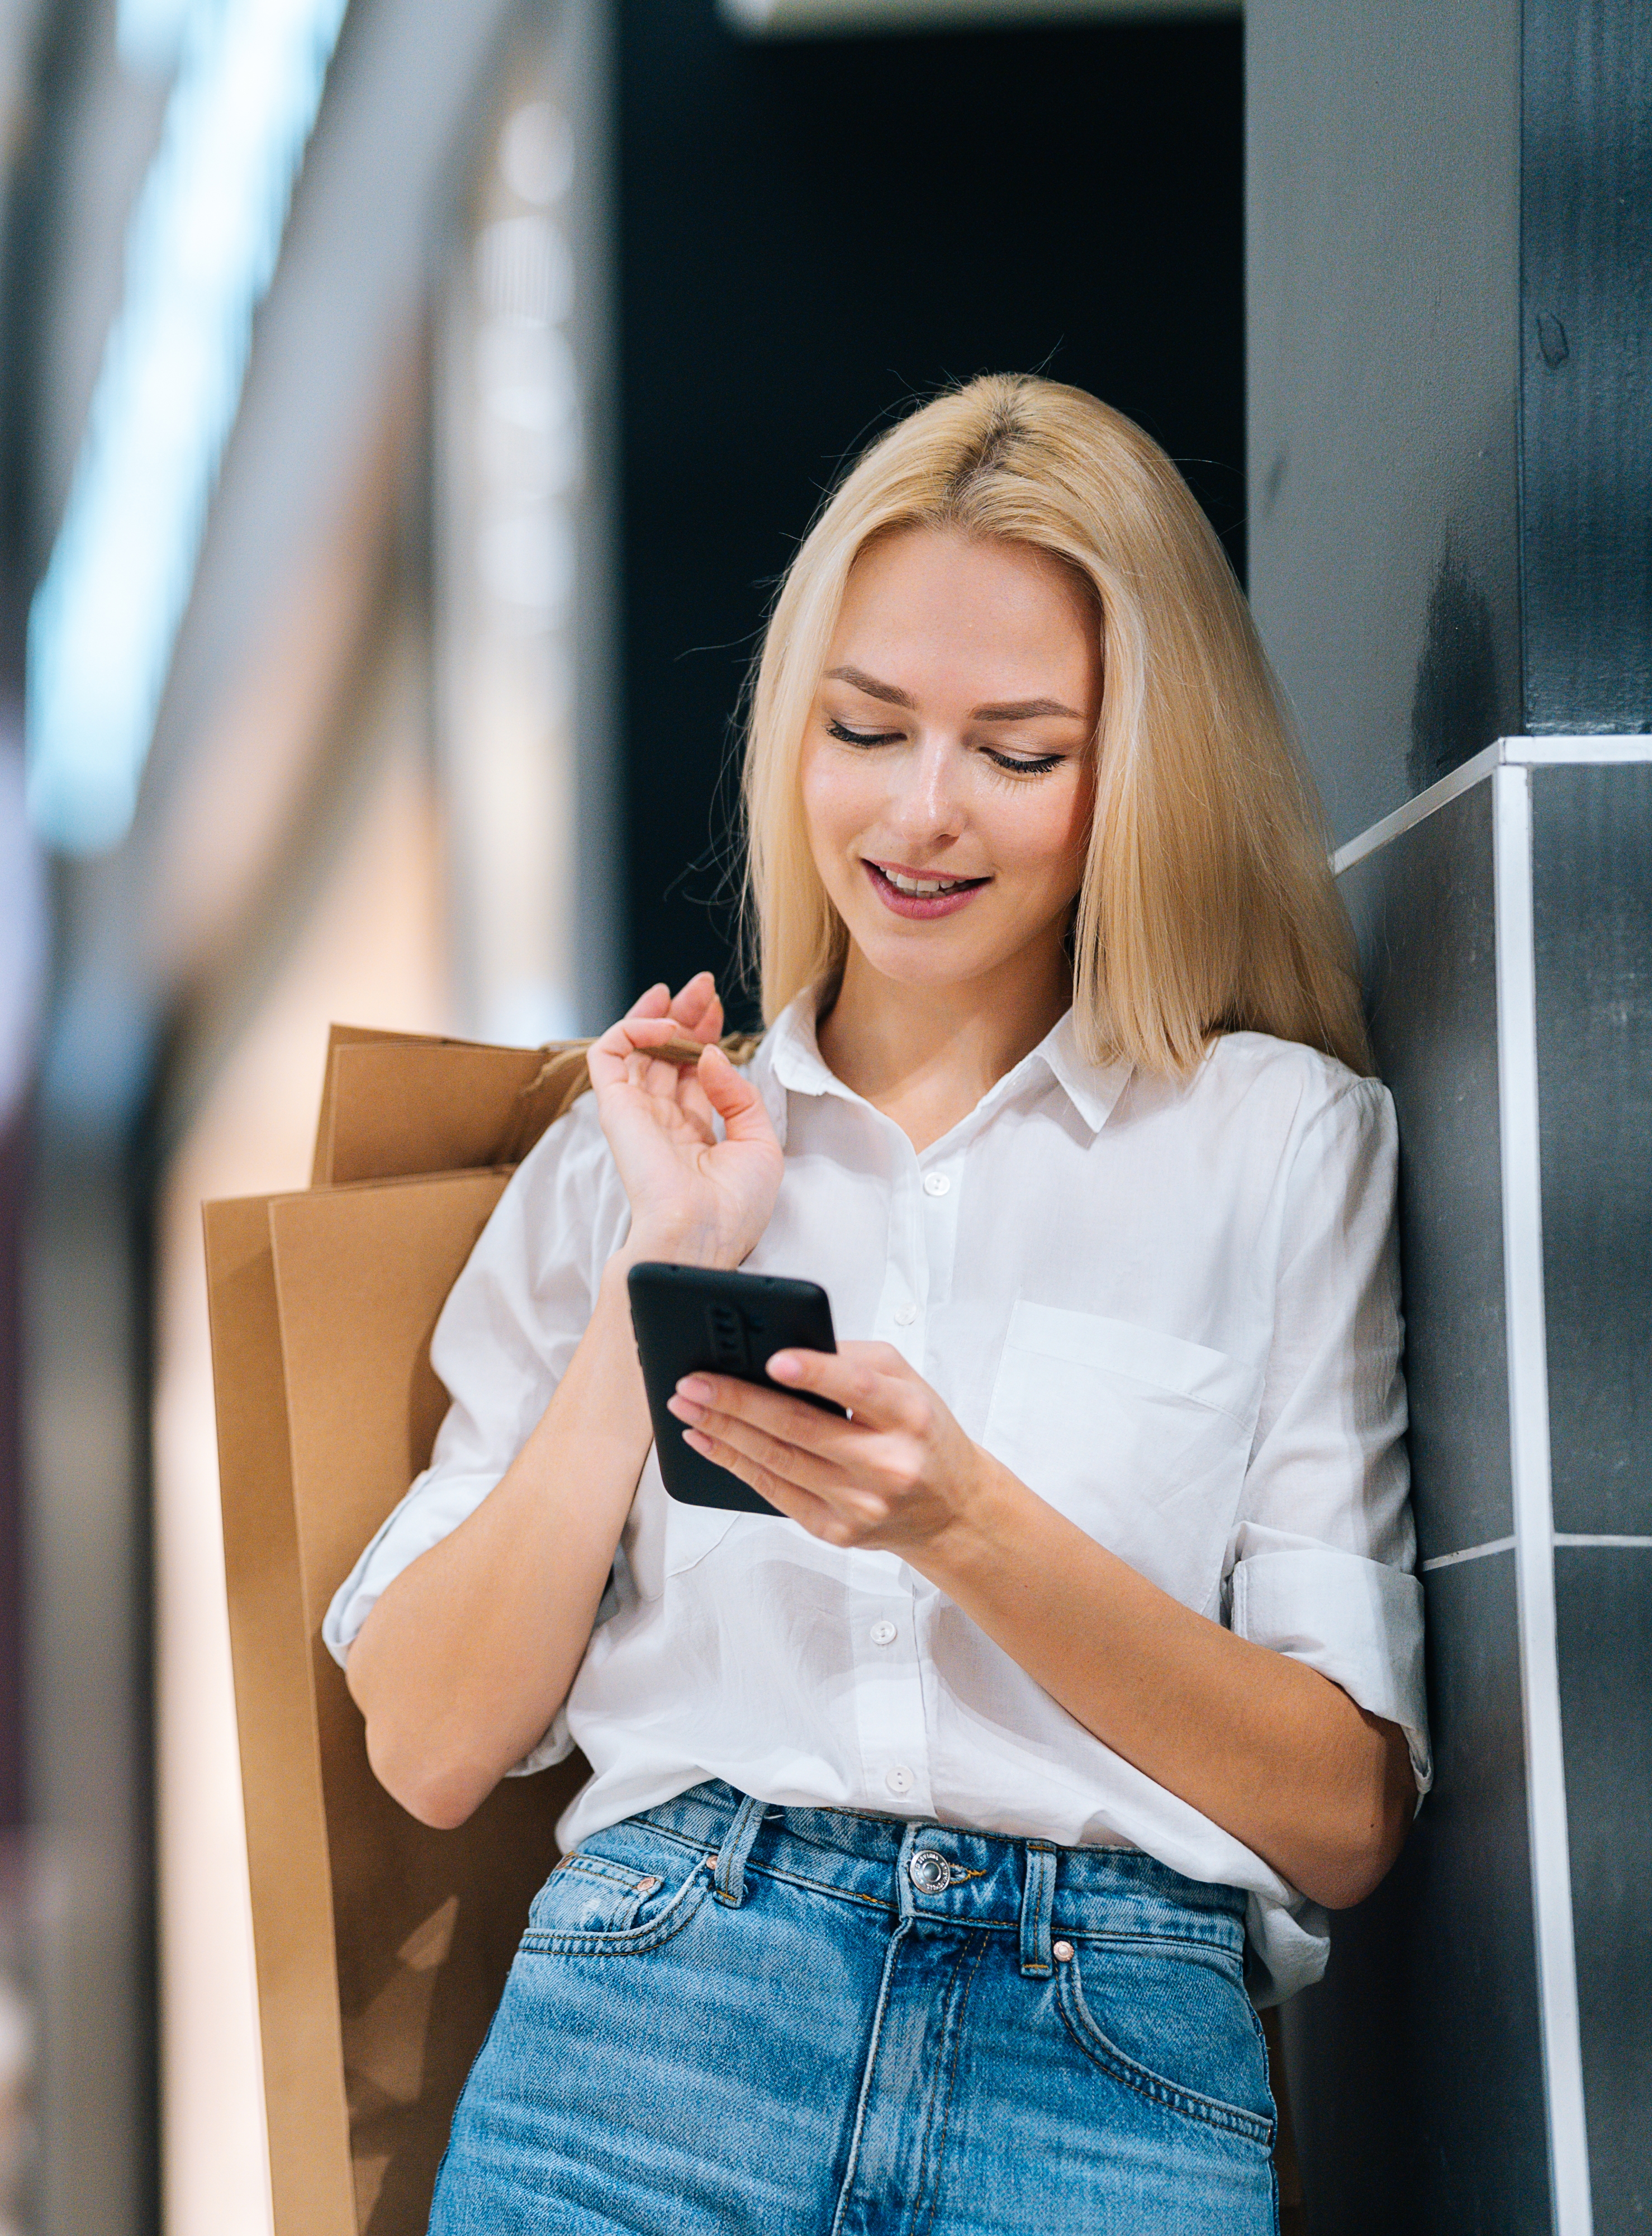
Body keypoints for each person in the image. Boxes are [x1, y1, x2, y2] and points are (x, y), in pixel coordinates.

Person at [326, 375, 1422, 2233]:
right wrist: (659, 1273)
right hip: (652, 2041)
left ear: (1138, 772)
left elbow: (1342, 1808)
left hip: (1107, 2079)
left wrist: (963, 1525)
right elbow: (429, 1746)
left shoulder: (1281, 1145)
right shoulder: (625, 1153)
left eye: (1018, 749)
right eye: (867, 727)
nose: (924, 811)